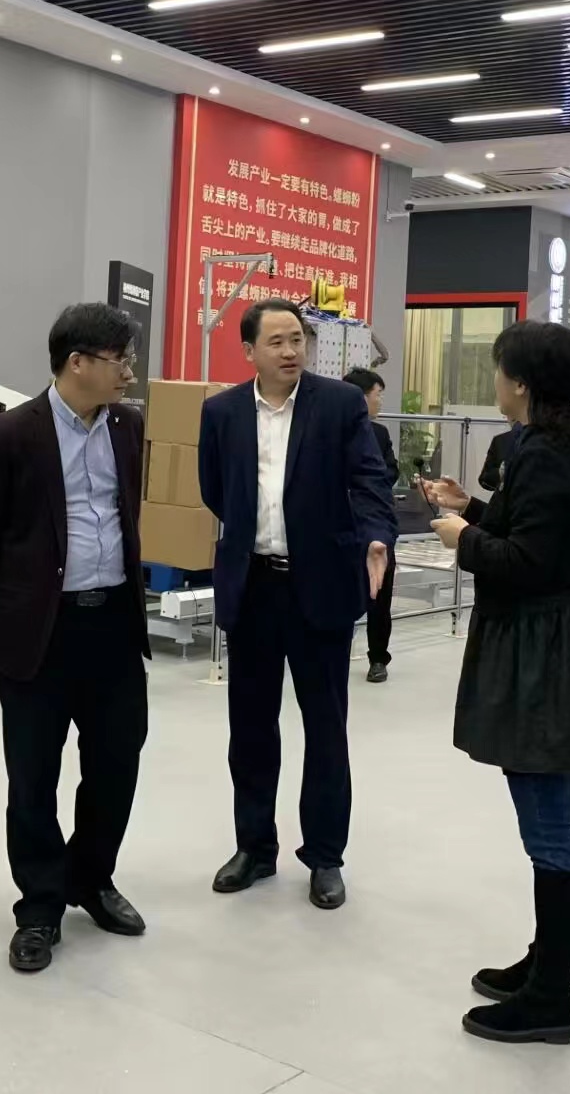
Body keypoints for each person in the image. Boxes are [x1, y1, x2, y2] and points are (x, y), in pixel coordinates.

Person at [422, 321, 570, 1047]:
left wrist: (463, 540)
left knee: (548, 821)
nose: (496, 383)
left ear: (523, 383)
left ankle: (549, 998)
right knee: (552, 814)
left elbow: (527, 563)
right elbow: (540, 537)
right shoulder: (559, 444)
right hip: (554, 642)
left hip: (547, 654)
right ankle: (546, 961)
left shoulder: (542, 453)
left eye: (500, 370)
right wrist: (473, 509)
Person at [0, 304, 149, 974]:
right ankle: (39, 905)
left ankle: (91, 879)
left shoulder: (128, 426)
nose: (129, 372)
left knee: (116, 763)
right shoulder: (10, 434)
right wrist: (26, 589)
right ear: (78, 363)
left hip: (114, 626)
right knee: (33, 774)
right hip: (39, 632)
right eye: (120, 359)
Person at [198, 299, 396, 911]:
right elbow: (215, 489)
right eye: (277, 341)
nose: (291, 351)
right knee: (251, 729)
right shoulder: (222, 412)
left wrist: (375, 537)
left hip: (320, 586)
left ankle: (325, 856)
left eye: (298, 340)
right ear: (249, 351)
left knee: (325, 728)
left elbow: (369, 479)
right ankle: (255, 847)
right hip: (253, 587)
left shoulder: (339, 404)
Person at [343, 368, 400, 683]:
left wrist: (371, 482)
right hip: (342, 524)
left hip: (376, 521)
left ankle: (378, 657)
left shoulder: (379, 434)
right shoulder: (330, 431)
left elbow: (390, 471)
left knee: (381, 594)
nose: (380, 401)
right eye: (377, 394)